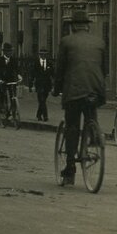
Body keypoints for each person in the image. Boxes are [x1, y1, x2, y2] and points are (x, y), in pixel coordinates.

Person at [53, 10, 106, 186]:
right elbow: (104, 69)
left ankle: (70, 169)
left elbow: (60, 70)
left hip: (74, 92)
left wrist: (56, 89)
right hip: (95, 91)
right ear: (87, 25)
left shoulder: (67, 41)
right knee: (91, 114)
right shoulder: (99, 42)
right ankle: (93, 136)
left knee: (72, 126)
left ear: (74, 26)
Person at [0, 42, 19, 120]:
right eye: (8, 51)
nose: (10, 53)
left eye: (11, 51)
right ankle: (2, 109)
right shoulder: (0, 60)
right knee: (3, 94)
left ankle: (14, 112)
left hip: (12, 80)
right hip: (3, 80)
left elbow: (17, 69)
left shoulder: (14, 60)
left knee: (13, 96)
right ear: (4, 52)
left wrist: (19, 76)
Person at [29, 47, 54, 121]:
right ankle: (45, 116)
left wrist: (54, 83)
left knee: (43, 100)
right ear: (39, 55)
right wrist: (30, 85)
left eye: (45, 55)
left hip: (47, 84)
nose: (43, 56)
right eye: (42, 54)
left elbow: (53, 74)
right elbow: (32, 74)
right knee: (42, 100)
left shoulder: (49, 63)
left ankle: (38, 114)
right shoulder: (36, 63)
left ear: (47, 55)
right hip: (39, 84)